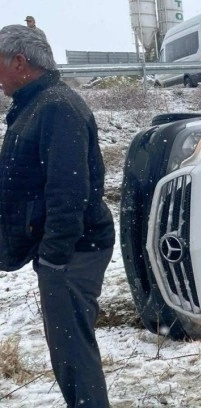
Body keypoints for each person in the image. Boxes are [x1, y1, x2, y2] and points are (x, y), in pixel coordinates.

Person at [0, 25, 115, 407]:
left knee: (72, 354)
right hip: (63, 248)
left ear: (19, 62)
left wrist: (54, 256)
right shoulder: (37, 105)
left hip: (73, 250)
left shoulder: (56, 107)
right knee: (67, 350)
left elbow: (70, 192)